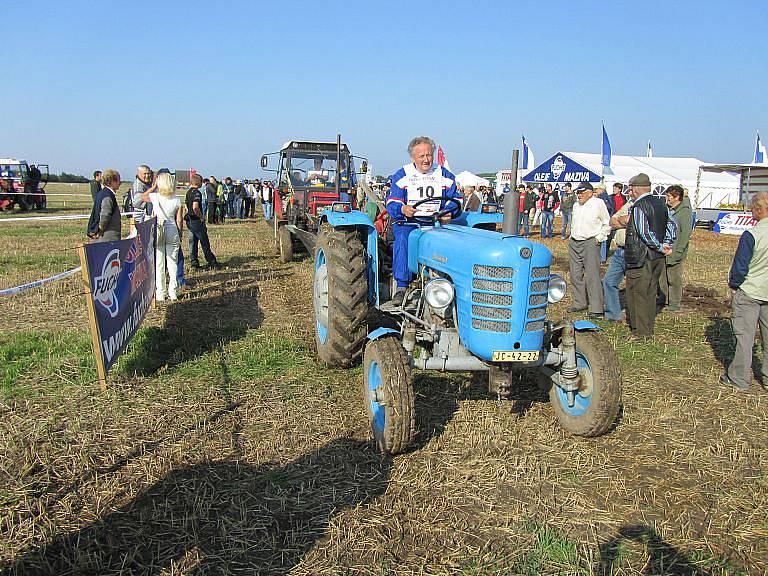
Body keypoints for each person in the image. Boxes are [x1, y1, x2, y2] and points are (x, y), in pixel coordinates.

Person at [386, 136, 460, 306]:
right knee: (404, 238)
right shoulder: (402, 175)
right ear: (413, 158)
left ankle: (447, 283)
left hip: (436, 221)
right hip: (410, 222)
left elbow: (456, 198)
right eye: (422, 156)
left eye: (429, 155)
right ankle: (402, 285)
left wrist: (448, 212)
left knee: (452, 240)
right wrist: (403, 209)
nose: (426, 160)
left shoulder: (444, 175)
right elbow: (392, 201)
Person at [721, 192, 768, 391]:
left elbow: (741, 267)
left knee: (745, 338)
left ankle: (739, 378)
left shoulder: (752, 234)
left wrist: (734, 284)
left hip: (749, 291)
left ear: (759, 210)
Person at [624, 173, 677, 340]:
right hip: (657, 258)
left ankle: (640, 332)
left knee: (637, 293)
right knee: (650, 291)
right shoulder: (661, 204)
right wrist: (667, 243)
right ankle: (647, 327)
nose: (629, 192)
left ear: (636, 189)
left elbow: (644, 232)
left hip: (642, 257)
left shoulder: (639, 206)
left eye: (630, 189)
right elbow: (672, 225)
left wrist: (660, 246)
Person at [568, 181, 611, 318]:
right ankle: (579, 302)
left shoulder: (598, 204)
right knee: (575, 275)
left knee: (592, 275)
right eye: (578, 192)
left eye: (581, 192)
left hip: (590, 242)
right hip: (575, 242)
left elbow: (607, 223)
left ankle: (596, 307)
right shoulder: (576, 205)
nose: (578, 195)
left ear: (589, 193)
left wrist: (599, 238)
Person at [140, 172, 183, 301]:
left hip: (158, 228)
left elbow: (143, 197)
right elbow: (179, 220)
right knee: (173, 262)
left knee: (159, 263)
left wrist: (153, 187)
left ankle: (160, 293)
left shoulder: (155, 196)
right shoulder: (177, 199)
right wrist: (180, 234)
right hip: (172, 229)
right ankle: (173, 292)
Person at [658, 185, 692, 312]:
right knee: (662, 277)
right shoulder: (667, 209)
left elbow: (685, 233)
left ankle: (674, 303)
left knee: (674, 278)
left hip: (676, 249)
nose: (667, 198)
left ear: (677, 197)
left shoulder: (684, 212)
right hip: (664, 248)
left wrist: (679, 251)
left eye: (669, 196)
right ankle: (664, 299)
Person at [602, 198, 634, 322]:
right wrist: (624, 222)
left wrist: (624, 221)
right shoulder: (628, 204)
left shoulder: (644, 205)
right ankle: (613, 314)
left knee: (634, 286)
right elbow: (612, 221)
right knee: (609, 281)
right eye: (629, 189)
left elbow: (636, 222)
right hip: (619, 250)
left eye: (632, 189)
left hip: (634, 251)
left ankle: (634, 317)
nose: (630, 192)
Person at [185, 174, 221, 270]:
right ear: (198, 182)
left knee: (192, 243)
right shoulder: (197, 193)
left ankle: (194, 263)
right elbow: (195, 207)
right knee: (204, 242)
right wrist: (201, 217)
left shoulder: (188, 192)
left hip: (189, 220)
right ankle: (212, 262)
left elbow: (186, 205)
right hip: (197, 221)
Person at [87, 169, 122, 241]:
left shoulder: (102, 193)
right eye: (118, 180)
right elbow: (105, 215)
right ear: (111, 181)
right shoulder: (108, 196)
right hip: (108, 237)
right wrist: (100, 229)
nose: (120, 183)